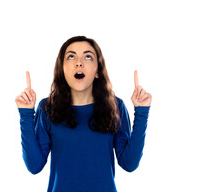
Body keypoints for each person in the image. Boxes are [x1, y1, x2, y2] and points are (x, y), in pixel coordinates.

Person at [15, 36, 152, 192]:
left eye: (88, 57)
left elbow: (129, 163)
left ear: (97, 71)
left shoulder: (116, 106)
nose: (78, 62)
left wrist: (141, 112)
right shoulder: (47, 108)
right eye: (71, 56)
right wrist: (26, 114)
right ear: (63, 69)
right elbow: (34, 166)